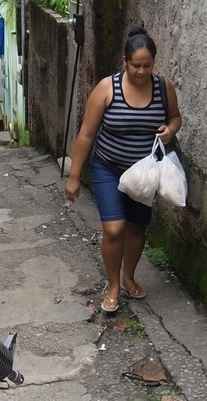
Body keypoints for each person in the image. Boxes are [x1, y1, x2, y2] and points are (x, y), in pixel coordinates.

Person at [63, 27, 181, 313]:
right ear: (125, 61)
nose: (142, 71)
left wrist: (169, 130)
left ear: (154, 63)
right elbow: (86, 134)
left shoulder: (163, 87)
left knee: (137, 227)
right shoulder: (107, 88)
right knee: (114, 229)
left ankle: (129, 276)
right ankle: (114, 284)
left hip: (143, 174)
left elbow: (175, 118)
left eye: (147, 65)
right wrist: (75, 176)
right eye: (136, 65)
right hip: (108, 168)